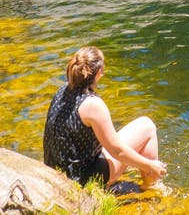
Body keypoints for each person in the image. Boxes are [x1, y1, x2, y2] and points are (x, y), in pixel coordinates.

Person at [43, 46, 166, 189]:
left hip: (55, 168)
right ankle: (152, 186)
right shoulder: (93, 105)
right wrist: (150, 165)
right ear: (99, 73)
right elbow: (117, 151)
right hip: (80, 178)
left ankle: (144, 175)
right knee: (147, 127)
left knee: (120, 143)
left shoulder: (62, 91)